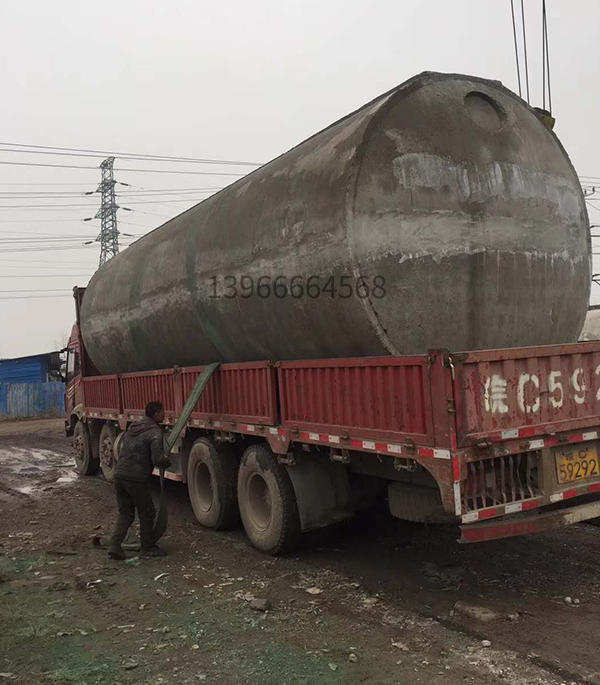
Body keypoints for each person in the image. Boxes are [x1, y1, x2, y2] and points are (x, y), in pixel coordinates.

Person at [108, 401, 172, 560]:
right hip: (136, 478)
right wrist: (167, 462)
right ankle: (147, 548)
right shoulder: (155, 432)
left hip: (120, 475)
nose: (165, 414)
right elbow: (157, 459)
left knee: (126, 513)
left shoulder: (133, 427)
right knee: (147, 512)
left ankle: (114, 546)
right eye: (163, 412)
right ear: (156, 414)